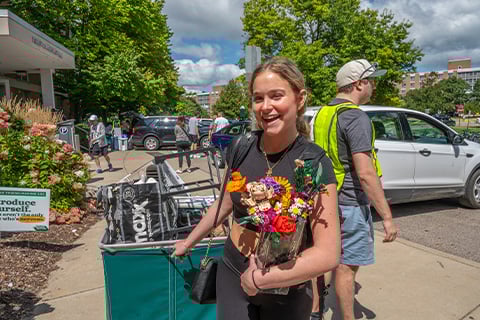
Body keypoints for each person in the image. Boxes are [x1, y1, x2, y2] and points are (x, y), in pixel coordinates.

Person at [174, 57, 341, 320]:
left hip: (288, 287)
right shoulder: (241, 147)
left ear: (300, 99)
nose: (266, 107)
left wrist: (261, 280)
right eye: (258, 98)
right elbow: (225, 204)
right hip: (232, 270)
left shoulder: (314, 163)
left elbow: (328, 254)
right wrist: (189, 241)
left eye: (276, 96)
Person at [311, 59, 398, 320]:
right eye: (370, 80)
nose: (372, 86)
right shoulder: (356, 117)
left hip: (324, 198)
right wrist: (387, 217)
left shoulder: (323, 113)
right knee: (346, 268)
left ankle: (315, 312)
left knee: (322, 260)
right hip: (349, 202)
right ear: (358, 83)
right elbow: (366, 173)